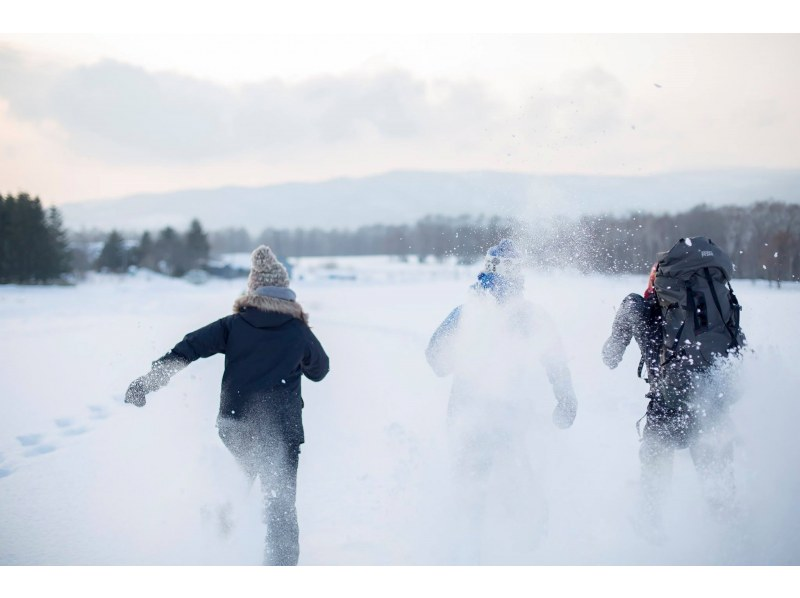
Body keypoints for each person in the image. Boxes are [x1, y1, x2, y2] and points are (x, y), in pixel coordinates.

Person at [124, 245, 329, 565]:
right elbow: (321, 370)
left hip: (236, 424)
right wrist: (298, 352)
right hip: (282, 433)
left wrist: (148, 382)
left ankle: (216, 532)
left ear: (253, 290)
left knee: (243, 476)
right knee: (280, 507)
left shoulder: (234, 325)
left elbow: (189, 347)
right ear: (286, 293)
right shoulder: (297, 331)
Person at [426, 239, 577, 561]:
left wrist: (463, 352)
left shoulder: (467, 313)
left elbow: (436, 361)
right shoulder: (533, 315)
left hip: (468, 414)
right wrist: (566, 399)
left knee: (471, 488)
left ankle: (472, 554)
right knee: (515, 482)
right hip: (512, 415)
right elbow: (557, 362)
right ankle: (517, 553)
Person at [603, 240, 745, 541]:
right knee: (721, 497)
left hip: (668, 409)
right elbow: (738, 351)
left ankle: (649, 548)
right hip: (713, 406)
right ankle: (736, 551)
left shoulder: (639, 306)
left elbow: (609, 356)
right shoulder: (718, 305)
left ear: (658, 280)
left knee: (652, 498)